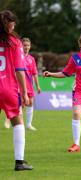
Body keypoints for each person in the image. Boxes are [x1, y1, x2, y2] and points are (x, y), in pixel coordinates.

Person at [43, 32, 81, 152]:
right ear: (80, 44)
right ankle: (76, 144)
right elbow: (65, 73)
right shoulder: (75, 58)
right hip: (79, 91)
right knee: (76, 113)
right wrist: (51, 74)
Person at [0, 10, 33, 170]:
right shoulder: (15, 42)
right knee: (18, 122)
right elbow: (20, 69)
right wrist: (25, 92)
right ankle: (19, 162)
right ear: (8, 24)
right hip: (7, 88)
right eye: (11, 22)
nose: (13, 25)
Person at [4, 38, 41, 130]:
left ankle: (28, 124)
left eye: (28, 45)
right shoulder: (16, 56)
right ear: (21, 46)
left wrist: (38, 86)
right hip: (18, 86)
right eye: (24, 45)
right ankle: (13, 123)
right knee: (18, 104)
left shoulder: (32, 59)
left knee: (30, 103)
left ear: (30, 46)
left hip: (29, 86)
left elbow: (35, 73)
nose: (26, 47)